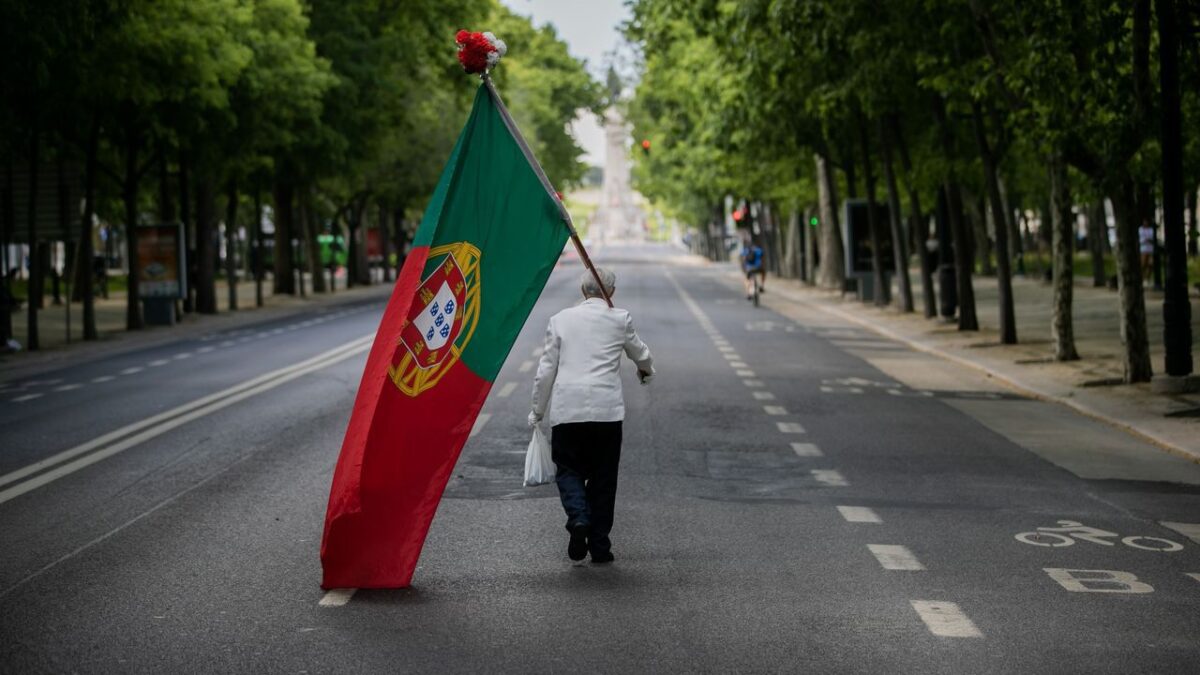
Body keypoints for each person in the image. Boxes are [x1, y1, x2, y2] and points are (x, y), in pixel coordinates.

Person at [529, 268, 654, 564]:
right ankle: (599, 545)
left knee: (569, 470)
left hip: (567, 411)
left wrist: (537, 410)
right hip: (606, 412)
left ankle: (578, 517)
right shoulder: (619, 319)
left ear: (584, 291)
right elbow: (641, 355)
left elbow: (545, 371)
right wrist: (646, 371)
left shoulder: (560, 320)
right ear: (610, 292)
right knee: (603, 479)